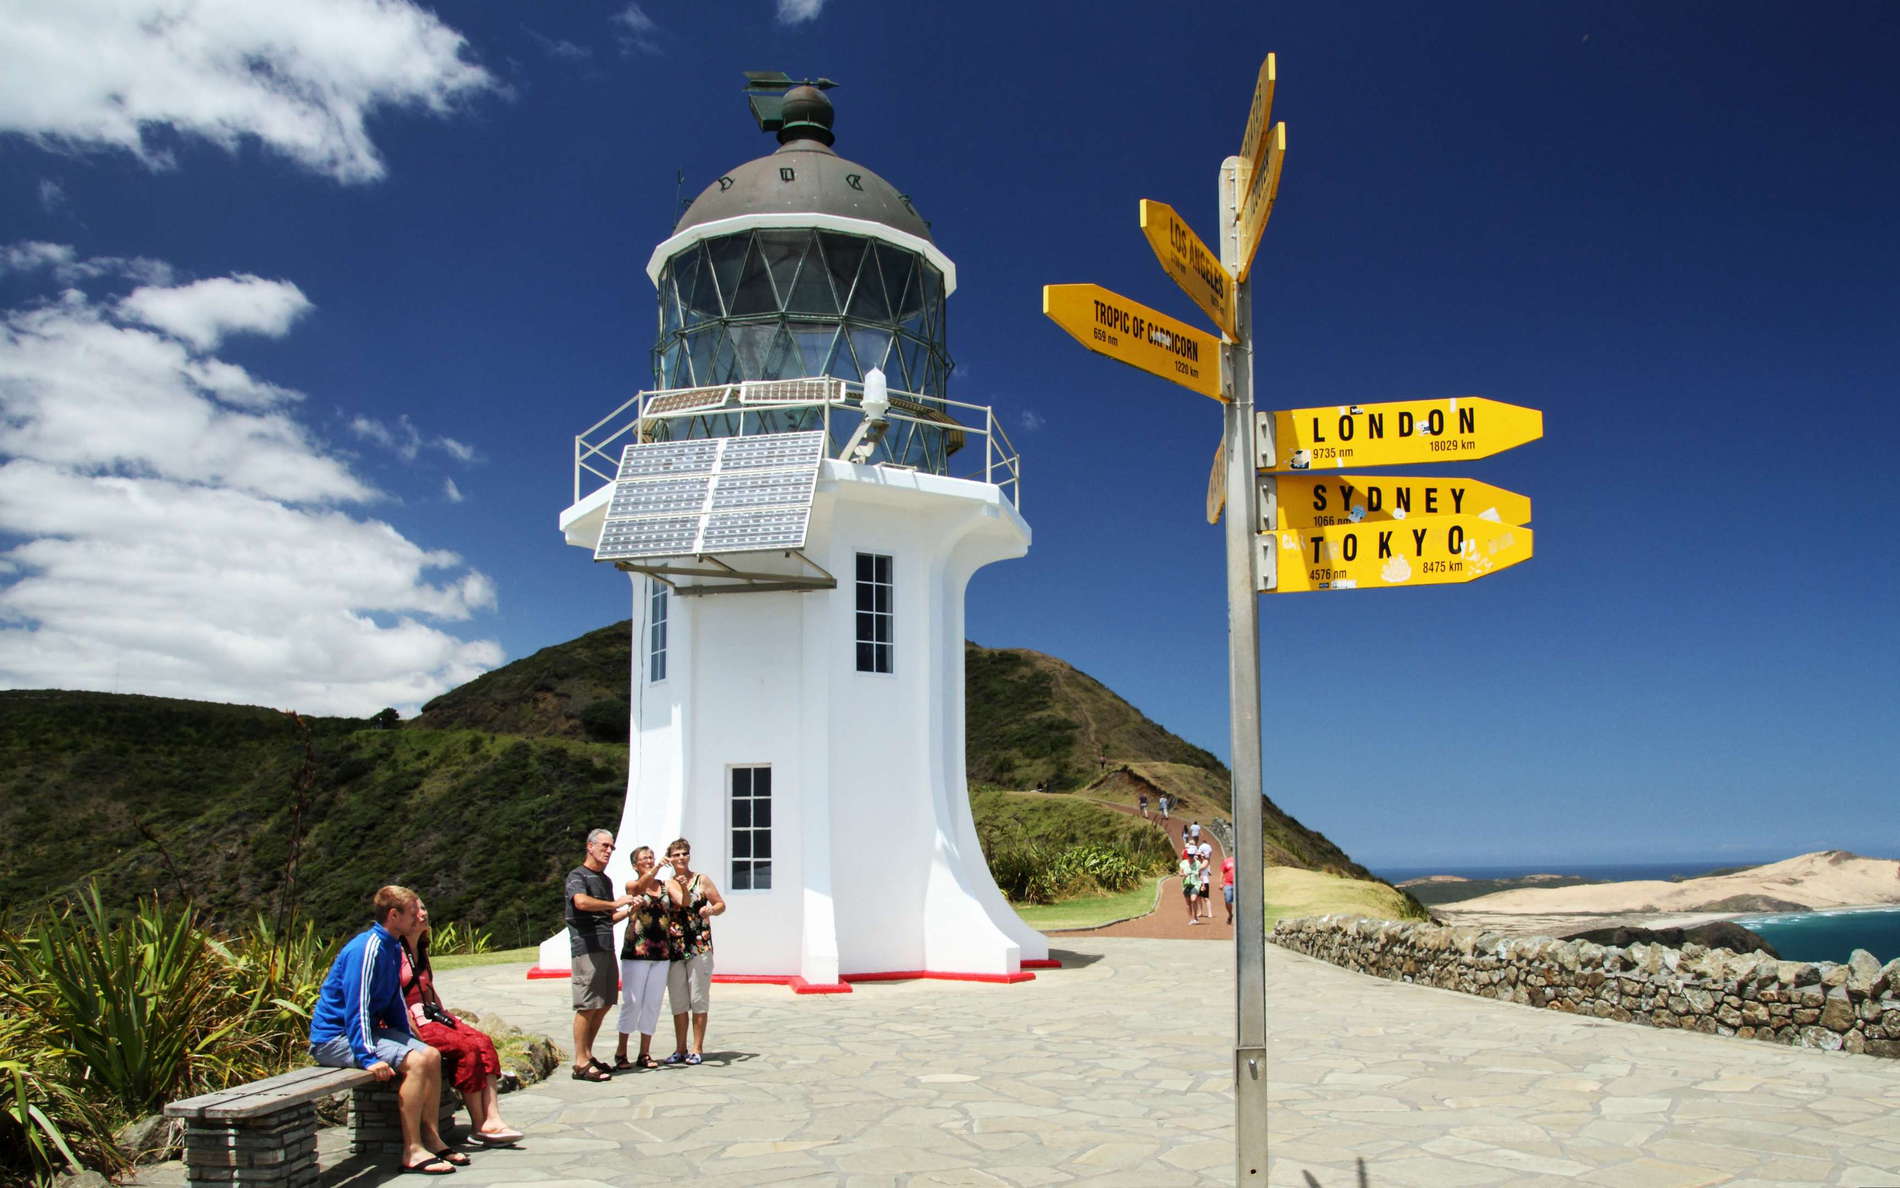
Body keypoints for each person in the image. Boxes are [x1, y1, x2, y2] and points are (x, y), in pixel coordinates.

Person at [310, 886, 455, 1175]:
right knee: (415, 1063)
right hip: (334, 1039)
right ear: (394, 915)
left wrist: (408, 1039)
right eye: (413, 914)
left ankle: (431, 1137)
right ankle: (412, 1149)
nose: (419, 919)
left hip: (366, 1032)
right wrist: (368, 1057)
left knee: (430, 1055)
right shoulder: (368, 948)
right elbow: (357, 1006)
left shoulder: (391, 946)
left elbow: (392, 1001)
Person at [401, 908, 525, 1147]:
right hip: (411, 1020)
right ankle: (479, 1124)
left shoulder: (421, 949)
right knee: (464, 1047)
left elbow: (428, 989)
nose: (422, 914)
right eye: (415, 911)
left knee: (483, 1042)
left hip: (430, 1013)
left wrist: (447, 1018)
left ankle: (493, 1117)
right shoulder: (396, 954)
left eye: (424, 909)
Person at [565, 829, 635, 1082]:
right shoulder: (577, 876)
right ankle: (580, 1062)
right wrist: (614, 903)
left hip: (606, 947)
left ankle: (588, 1054)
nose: (608, 851)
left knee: (604, 1003)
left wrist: (627, 910)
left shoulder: (604, 881)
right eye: (604, 846)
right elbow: (581, 903)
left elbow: (607, 918)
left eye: (611, 847)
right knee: (587, 1005)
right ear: (590, 846)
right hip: (586, 948)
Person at [610, 846, 680, 1071]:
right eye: (644, 859)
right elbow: (638, 887)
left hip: (661, 952)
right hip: (637, 951)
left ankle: (645, 1051)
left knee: (653, 1002)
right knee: (632, 1001)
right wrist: (658, 867)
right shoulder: (634, 887)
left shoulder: (664, 887)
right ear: (635, 865)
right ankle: (622, 1051)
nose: (649, 861)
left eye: (651, 857)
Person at [662, 837, 725, 1066]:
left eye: (684, 853)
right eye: (676, 854)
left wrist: (712, 910)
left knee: (698, 997)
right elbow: (682, 902)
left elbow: (721, 904)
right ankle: (680, 1048)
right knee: (678, 1000)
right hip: (677, 946)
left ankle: (697, 1047)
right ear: (670, 858)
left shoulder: (702, 880)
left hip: (699, 944)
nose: (681, 858)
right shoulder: (668, 884)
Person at [1179, 847, 1199, 925]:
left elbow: (1200, 874)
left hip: (1195, 884)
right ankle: (1191, 919)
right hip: (1186, 885)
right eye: (1189, 855)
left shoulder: (1197, 863)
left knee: (1193, 899)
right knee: (1188, 903)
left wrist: (1203, 884)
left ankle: (1195, 916)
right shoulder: (1183, 863)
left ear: (1194, 855)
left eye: (1192, 855)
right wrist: (1184, 874)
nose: (1190, 857)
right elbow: (1180, 873)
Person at [1221, 854, 1236, 925]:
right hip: (1228, 884)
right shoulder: (1227, 861)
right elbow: (1222, 872)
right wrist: (1221, 883)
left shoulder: (1241, 860)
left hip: (1239, 884)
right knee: (1228, 900)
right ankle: (1230, 914)